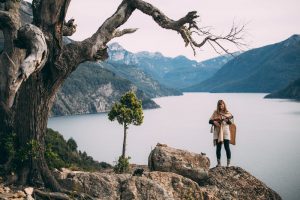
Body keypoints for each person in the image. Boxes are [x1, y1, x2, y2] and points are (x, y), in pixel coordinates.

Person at [209, 100, 234, 167]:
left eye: (222, 104)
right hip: (218, 131)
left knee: (227, 147)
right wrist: (214, 122)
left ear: (224, 105)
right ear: (218, 105)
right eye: (219, 105)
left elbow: (231, 122)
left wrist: (227, 120)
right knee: (218, 147)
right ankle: (219, 163)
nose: (221, 106)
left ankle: (228, 164)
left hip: (225, 131)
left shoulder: (227, 112)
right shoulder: (215, 112)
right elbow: (210, 120)